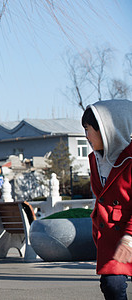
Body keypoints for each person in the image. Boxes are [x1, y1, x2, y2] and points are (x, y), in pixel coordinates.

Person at [82, 99, 132, 300]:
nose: (86, 135)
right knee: (111, 285)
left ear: (107, 128)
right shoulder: (95, 160)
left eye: (88, 129)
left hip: (128, 233)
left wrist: (129, 238)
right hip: (111, 238)